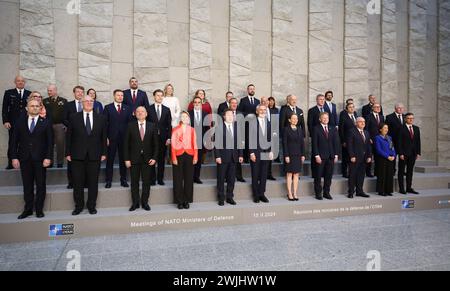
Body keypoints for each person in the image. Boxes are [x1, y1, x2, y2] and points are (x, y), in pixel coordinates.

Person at [11, 97, 53, 219]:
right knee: (27, 185)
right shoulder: (19, 122)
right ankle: (28, 209)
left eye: (37, 106)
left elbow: (50, 142)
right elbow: (13, 141)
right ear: (27, 108)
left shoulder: (46, 122)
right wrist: (14, 157)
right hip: (24, 158)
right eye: (32, 106)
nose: (35, 108)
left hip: (40, 159)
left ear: (40, 108)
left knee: (41, 184)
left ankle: (39, 209)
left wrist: (48, 158)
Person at [66, 95, 107, 216]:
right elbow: (69, 136)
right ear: (82, 103)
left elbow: (104, 137)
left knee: (93, 182)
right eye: (86, 101)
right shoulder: (73, 117)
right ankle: (78, 206)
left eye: (91, 101)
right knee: (77, 182)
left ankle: (91, 206)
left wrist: (104, 152)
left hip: (95, 155)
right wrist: (67, 153)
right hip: (77, 155)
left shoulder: (101, 118)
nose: (89, 103)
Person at [124, 106, 159, 212]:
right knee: (134, 182)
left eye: (142, 111)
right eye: (138, 111)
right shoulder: (130, 126)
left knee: (146, 182)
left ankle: (145, 202)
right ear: (135, 114)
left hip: (148, 160)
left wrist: (154, 158)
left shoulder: (152, 126)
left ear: (146, 114)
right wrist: (126, 159)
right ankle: (135, 203)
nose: (140, 113)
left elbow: (156, 145)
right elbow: (126, 144)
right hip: (133, 159)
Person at [103, 89, 133, 188]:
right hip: (111, 138)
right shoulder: (108, 108)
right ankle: (108, 180)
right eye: (118, 95)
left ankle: (123, 179)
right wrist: (105, 137)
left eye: (121, 95)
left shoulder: (127, 108)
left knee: (123, 159)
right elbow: (105, 124)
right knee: (110, 160)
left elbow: (130, 124)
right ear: (114, 96)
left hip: (124, 139)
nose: (120, 97)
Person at [215, 109, 243, 206]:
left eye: (232, 115)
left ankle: (230, 197)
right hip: (222, 157)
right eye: (228, 115)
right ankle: (221, 197)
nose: (231, 117)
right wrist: (217, 156)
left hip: (234, 157)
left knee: (231, 179)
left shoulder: (237, 127)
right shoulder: (219, 127)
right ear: (224, 117)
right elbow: (217, 143)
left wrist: (240, 154)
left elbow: (240, 142)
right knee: (221, 178)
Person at [2, 76, 31, 169]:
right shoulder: (9, 93)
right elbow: (4, 109)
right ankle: (11, 163)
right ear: (15, 82)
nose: (20, 82)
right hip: (13, 123)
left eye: (22, 81)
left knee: (25, 142)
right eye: (18, 81)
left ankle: (24, 162)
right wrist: (5, 121)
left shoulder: (29, 94)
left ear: (24, 82)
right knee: (12, 142)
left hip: (26, 123)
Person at [171, 111, 198, 210]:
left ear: (188, 118)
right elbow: (173, 145)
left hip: (189, 155)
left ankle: (187, 200)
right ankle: (179, 201)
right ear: (180, 118)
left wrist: (195, 156)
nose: (184, 117)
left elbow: (195, 144)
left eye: (186, 116)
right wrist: (173, 157)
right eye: (182, 116)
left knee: (188, 178)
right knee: (177, 179)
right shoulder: (175, 129)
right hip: (178, 155)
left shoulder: (192, 130)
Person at [311, 112, 340, 200]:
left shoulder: (333, 128)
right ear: (320, 119)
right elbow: (314, 144)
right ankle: (318, 193)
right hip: (320, 156)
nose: (325, 119)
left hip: (330, 156)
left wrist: (336, 154)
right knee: (318, 176)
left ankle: (326, 192)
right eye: (323, 118)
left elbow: (336, 142)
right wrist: (316, 155)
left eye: (327, 118)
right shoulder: (316, 128)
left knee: (328, 176)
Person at [146, 89, 172, 186]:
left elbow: (169, 125)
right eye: (158, 95)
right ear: (154, 96)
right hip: (151, 138)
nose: (160, 97)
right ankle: (152, 179)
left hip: (163, 139)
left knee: (161, 159)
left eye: (161, 95)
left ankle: (160, 179)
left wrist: (169, 137)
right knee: (152, 159)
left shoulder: (166, 109)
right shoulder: (148, 109)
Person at [249, 105, 273, 204]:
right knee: (255, 174)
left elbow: (270, 138)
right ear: (257, 111)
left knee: (264, 174)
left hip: (266, 152)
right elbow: (249, 139)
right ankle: (255, 195)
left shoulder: (268, 123)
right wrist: (251, 153)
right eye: (261, 110)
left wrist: (271, 151)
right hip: (256, 152)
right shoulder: (252, 122)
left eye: (264, 110)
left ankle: (262, 193)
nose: (263, 111)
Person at [63, 86, 85, 189]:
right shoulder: (68, 105)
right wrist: (73, 126)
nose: (80, 94)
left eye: (82, 92)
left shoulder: (87, 104)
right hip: (73, 136)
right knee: (71, 161)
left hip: (85, 137)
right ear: (74, 93)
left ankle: (84, 181)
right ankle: (71, 182)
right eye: (78, 92)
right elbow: (64, 119)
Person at [347, 117, 372, 199]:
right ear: (356, 123)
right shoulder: (351, 131)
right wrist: (352, 156)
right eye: (360, 122)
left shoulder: (366, 132)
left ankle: (359, 191)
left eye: (364, 121)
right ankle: (350, 192)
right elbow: (349, 145)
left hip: (364, 158)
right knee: (352, 175)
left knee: (361, 175)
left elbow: (368, 146)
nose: (363, 123)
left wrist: (369, 156)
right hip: (355, 157)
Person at [43, 85, 67, 168]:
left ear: (55, 91)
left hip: (59, 125)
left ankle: (60, 162)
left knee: (60, 144)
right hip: (48, 126)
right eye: (48, 90)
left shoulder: (63, 101)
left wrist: (66, 125)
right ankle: (50, 161)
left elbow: (66, 114)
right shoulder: (44, 101)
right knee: (49, 143)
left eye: (50, 90)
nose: (49, 92)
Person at [283, 113, 306, 201]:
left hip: (298, 155)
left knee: (296, 174)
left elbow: (302, 143)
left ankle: (295, 192)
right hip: (289, 155)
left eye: (296, 119)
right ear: (289, 120)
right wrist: (286, 155)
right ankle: (289, 193)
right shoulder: (286, 129)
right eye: (293, 119)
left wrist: (303, 154)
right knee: (289, 174)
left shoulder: (300, 129)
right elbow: (284, 144)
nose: (295, 120)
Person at [397, 113, 421, 195]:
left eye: (412, 118)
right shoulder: (401, 128)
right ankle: (401, 189)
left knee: (410, 171)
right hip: (403, 154)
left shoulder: (416, 128)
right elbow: (399, 142)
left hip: (413, 154)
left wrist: (418, 152)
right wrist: (400, 153)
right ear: (405, 119)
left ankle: (409, 188)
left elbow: (418, 141)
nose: (411, 119)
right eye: (409, 118)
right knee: (401, 171)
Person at [189, 96, 211, 184]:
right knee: (191, 160)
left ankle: (196, 177)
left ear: (201, 104)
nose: (197, 104)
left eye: (199, 102)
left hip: (201, 141)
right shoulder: (189, 114)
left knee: (198, 160)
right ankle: (189, 177)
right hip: (190, 141)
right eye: (195, 102)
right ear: (193, 103)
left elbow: (207, 129)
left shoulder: (205, 114)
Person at [238, 84, 260, 164]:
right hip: (246, 124)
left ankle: (254, 156)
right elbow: (240, 112)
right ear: (248, 90)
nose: (252, 90)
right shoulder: (243, 100)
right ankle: (246, 157)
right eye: (250, 89)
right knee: (247, 140)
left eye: (253, 89)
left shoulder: (258, 101)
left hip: (255, 124)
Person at [308, 94, 327, 178]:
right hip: (316, 136)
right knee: (315, 154)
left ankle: (323, 172)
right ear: (316, 100)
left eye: (323, 99)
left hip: (326, 136)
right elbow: (310, 124)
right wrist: (313, 135)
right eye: (320, 99)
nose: (322, 101)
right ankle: (315, 173)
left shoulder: (327, 110)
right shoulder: (312, 110)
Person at [374, 123, 396, 196]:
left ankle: (388, 190)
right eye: (385, 128)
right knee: (382, 175)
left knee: (389, 175)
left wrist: (394, 155)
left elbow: (392, 148)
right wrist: (387, 156)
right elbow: (378, 150)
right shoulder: (377, 138)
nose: (386, 129)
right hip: (382, 159)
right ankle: (381, 191)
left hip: (390, 159)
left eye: (387, 128)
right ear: (380, 129)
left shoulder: (389, 138)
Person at [364, 103, 384, 177]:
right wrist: (368, 138)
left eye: (379, 107)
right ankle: (368, 172)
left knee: (378, 156)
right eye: (376, 107)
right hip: (371, 140)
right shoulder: (368, 117)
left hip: (379, 140)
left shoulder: (382, 117)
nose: (378, 108)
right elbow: (366, 129)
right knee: (369, 155)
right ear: (372, 108)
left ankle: (377, 172)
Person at [339, 102, 358, 178]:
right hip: (346, 141)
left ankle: (352, 172)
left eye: (353, 107)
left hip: (355, 141)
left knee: (353, 156)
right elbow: (341, 130)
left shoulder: (356, 116)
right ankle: (344, 172)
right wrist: (343, 141)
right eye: (350, 107)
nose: (352, 108)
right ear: (347, 109)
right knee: (345, 157)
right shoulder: (344, 117)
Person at [385, 103, 405, 174]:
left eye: (402, 108)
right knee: (393, 156)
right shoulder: (389, 117)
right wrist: (388, 140)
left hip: (403, 141)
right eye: (399, 108)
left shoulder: (405, 117)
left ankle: (402, 171)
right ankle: (392, 171)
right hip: (392, 140)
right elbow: (387, 130)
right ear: (395, 108)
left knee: (402, 157)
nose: (400, 109)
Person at [261, 96, 277, 181]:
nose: (265, 102)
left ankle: (269, 174)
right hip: (262, 137)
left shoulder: (272, 110)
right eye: (262, 101)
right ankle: (262, 174)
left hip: (271, 136)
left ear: (268, 102)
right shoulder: (260, 110)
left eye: (266, 101)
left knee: (270, 156)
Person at [229, 98, 245, 182]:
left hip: (238, 138)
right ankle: (227, 177)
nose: (234, 105)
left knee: (239, 157)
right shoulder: (224, 113)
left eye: (235, 103)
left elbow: (243, 127)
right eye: (232, 103)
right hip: (228, 139)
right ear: (229, 104)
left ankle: (239, 176)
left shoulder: (240, 114)